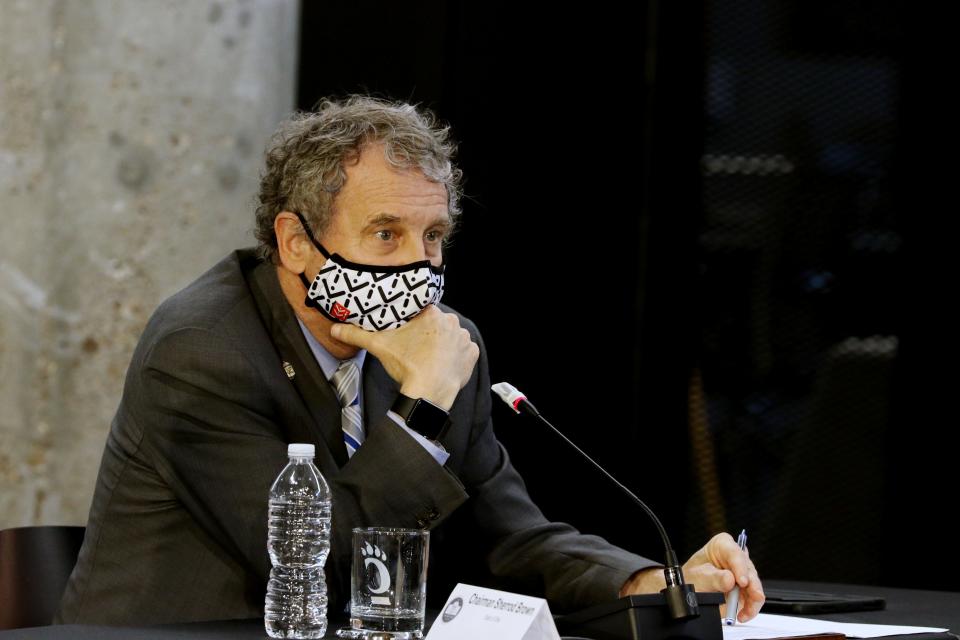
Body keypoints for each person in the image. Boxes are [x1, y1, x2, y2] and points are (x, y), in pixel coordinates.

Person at [55, 96, 764, 626]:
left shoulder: (445, 346)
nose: (418, 267)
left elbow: (513, 537)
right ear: (297, 244)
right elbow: (318, 566)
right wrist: (421, 405)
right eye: (385, 234)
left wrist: (649, 581)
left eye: (433, 236)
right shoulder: (201, 352)